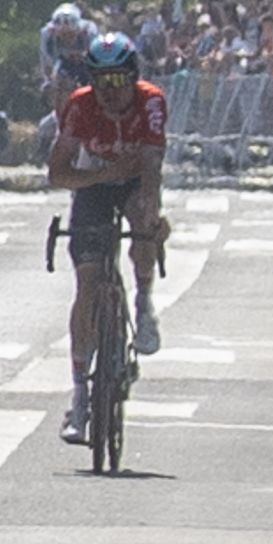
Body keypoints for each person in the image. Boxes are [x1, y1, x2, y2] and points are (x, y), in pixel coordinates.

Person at [47, 28, 166, 441]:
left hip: (134, 180)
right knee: (88, 281)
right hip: (94, 184)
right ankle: (80, 395)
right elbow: (58, 173)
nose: (110, 91)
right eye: (101, 81)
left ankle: (144, 300)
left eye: (119, 80)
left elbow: (151, 164)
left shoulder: (150, 101)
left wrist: (150, 213)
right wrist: (101, 174)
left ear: (133, 77)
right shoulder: (80, 107)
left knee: (144, 219)